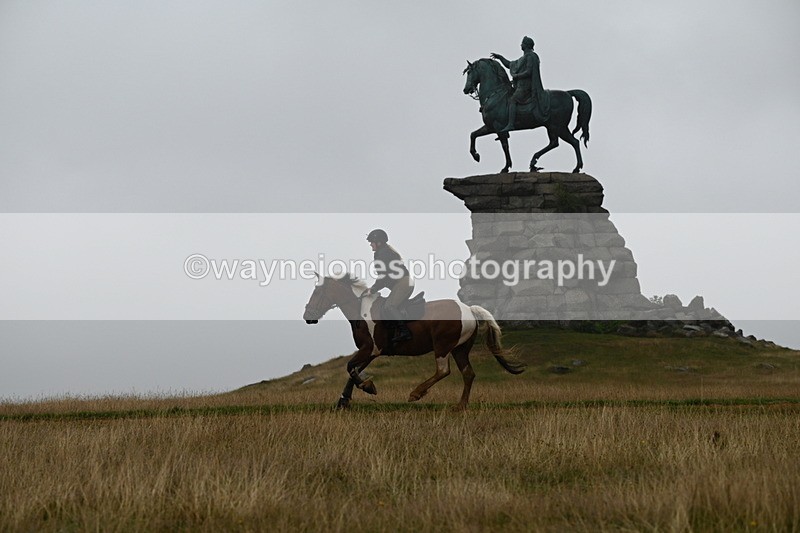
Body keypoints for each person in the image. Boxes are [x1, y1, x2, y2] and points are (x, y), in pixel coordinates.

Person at [490, 35, 550, 132]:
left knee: (512, 100)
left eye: (522, 43)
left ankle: (511, 124)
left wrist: (517, 76)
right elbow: (510, 64)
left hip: (526, 87)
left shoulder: (531, 56)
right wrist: (500, 57)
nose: (521, 45)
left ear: (526, 45)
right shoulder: (522, 59)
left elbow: (529, 71)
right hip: (520, 87)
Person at [364, 229, 413, 343]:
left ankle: (405, 332)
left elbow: (383, 276)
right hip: (403, 283)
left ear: (379, 242)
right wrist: (374, 288)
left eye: (372, 242)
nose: (371, 245)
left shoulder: (382, 254)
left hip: (403, 283)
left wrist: (373, 289)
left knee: (389, 306)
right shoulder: (383, 252)